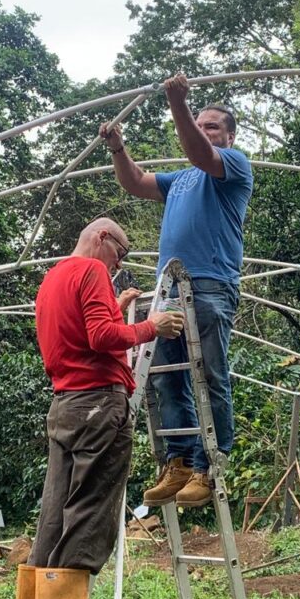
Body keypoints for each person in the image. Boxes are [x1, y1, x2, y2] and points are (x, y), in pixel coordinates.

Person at [14, 218, 184, 599]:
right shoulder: (91, 271)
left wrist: (116, 301)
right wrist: (153, 327)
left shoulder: (53, 278)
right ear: (102, 238)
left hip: (66, 406)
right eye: (120, 253)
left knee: (54, 517)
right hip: (98, 404)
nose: (118, 264)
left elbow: (80, 332)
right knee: (90, 516)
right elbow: (102, 337)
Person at [100, 73, 253, 509]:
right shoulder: (181, 180)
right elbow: (135, 182)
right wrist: (117, 147)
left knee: (210, 373)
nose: (205, 131)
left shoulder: (232, 164)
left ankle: (211, 463)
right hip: (170, 288)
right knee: (168, 378)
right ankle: (180, 461)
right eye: (200, 123)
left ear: (229, 135)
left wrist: (178, 105)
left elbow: (198, 152)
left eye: (212, 126)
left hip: (209, 284)